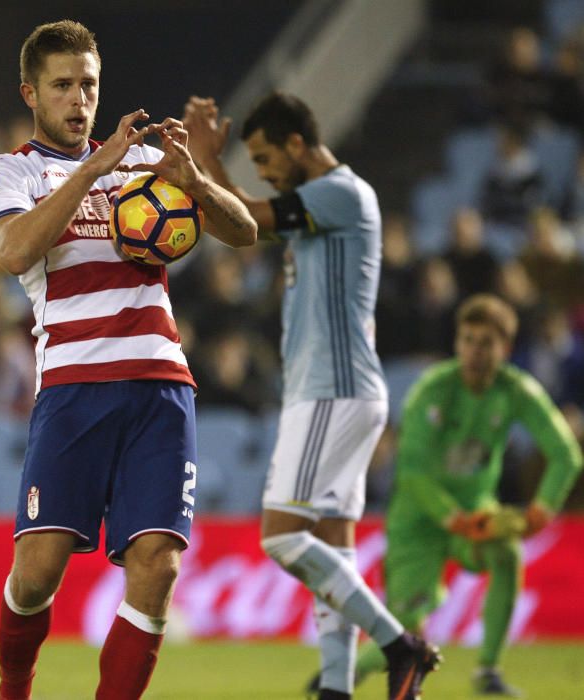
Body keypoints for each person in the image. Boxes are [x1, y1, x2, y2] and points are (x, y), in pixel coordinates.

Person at [0, 20, 256, 700]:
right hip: (74, 389)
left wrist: (192, 179)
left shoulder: (140, 168)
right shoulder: (11, 171)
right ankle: (14, 688)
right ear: (31, 94)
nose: (79, 99)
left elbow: (243, 231)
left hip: (160, 385)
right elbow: (14, 252)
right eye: (63, 85)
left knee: (157, 567)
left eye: (89, 85)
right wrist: (90, 173)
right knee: (37, 575)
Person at [184, 91, 441, 700]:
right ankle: (335, 687)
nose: (266, 172)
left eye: (268, 158)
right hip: (335, 390)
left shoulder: (341, 194)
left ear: (298, 144)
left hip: (333, 388)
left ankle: (400, 646)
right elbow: (244, 227)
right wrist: (209, 170)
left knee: (280, 536)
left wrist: (197, 171)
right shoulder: (320, 205)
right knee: (331, 547)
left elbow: (250, 213)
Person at [353, 294, 583, 696]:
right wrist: (453, 518)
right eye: (468, 340)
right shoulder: (433, 390)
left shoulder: (516, 391)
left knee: (507, 554)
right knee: (407, 634)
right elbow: (412, 474)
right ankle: (345, 675)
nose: (475, 351)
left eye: (486, 342)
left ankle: (488, 671)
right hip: (419, 518)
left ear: (505, 349)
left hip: (474, 511)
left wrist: (541, 512)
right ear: (457, 343)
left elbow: (566, 455)